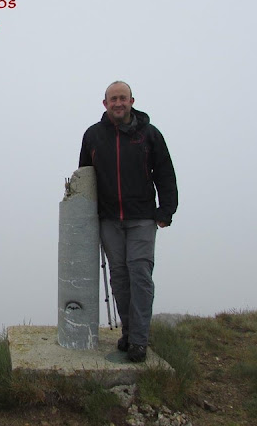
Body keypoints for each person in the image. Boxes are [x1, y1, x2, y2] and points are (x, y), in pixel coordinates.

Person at [78, 80, 178, 362]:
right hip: (109, 220)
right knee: (120, 279)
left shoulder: (149, 134)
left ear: (132, 101)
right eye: (113, 99)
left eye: (123, 98)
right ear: (105, 104)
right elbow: (84, 176)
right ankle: (129, 331)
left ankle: (139, 341)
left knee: (140, 275)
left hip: (142, 218)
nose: (118, 103)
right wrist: (85, 216)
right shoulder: (93, 135)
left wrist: (166, 211)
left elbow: (165, 173)